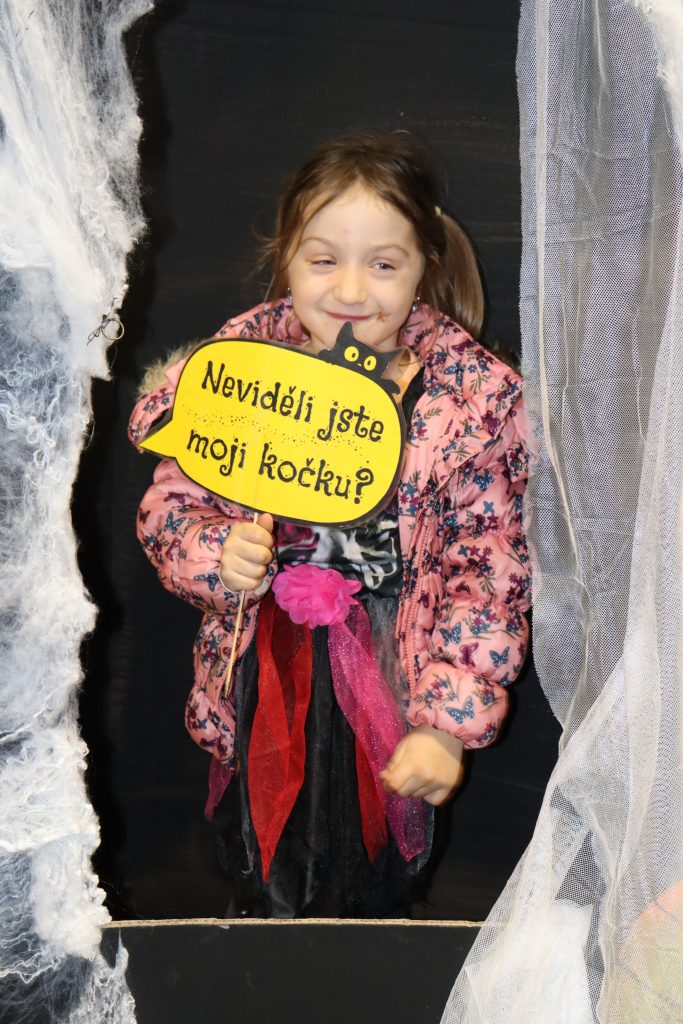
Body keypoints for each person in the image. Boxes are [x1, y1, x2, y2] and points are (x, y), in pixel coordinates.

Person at [129, 131, 530, 918]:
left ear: (424, 268)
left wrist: (448, 724)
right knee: (261, 853)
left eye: (383, 264)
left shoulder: (467, 409)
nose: (350, 289)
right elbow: (168, 509)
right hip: (263, 673)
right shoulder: (236, 379)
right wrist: (217, 553)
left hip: (392, 676)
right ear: (284, 256)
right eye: (322, 260)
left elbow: (487, 575)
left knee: (373, 868)